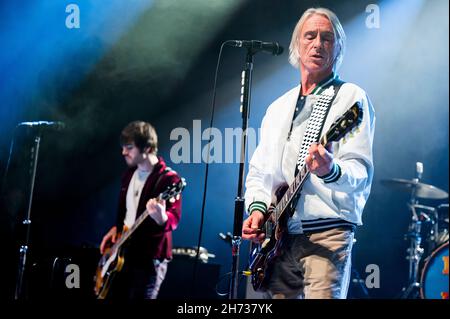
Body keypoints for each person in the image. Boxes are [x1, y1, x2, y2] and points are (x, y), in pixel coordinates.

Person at [242, 7, 375, 299]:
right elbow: (260, 172)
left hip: (328, 234)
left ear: (338, 47)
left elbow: (361, 172)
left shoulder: (351, 97)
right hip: (279, 237)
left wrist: (332, 170)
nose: (318, 43)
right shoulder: (277, 107)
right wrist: (257, 209)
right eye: (310, 36)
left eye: (327, 38)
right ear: (296, 45)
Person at [99, 121, 182, 299]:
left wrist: (161, 217)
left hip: (150, 259)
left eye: (129, 147)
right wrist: (116, 229)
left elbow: (174, 218)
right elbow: (128, 213)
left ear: (148, 148)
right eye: (123, 147)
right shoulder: (129, 175)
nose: (124, 152)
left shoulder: (169, 179)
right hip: (125, 253)